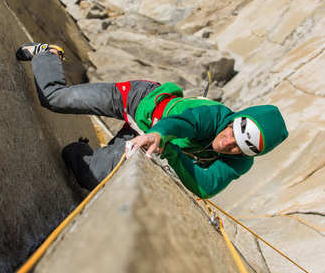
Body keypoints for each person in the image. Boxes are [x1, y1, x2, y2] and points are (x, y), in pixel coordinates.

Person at [16, 42, 288, 199]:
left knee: (90, 175)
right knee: (54, 98)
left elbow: (206, 186)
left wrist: (169, 151)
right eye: (232, 132)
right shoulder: (215, 115)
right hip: (137, 101)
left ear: (248, 154)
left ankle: (81, 149)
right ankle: (46, 53)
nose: (227, 142)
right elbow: (185, 122)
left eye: (237, 147)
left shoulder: (240, 163)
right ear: (234, 120)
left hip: (148, 137)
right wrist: (160, 135)